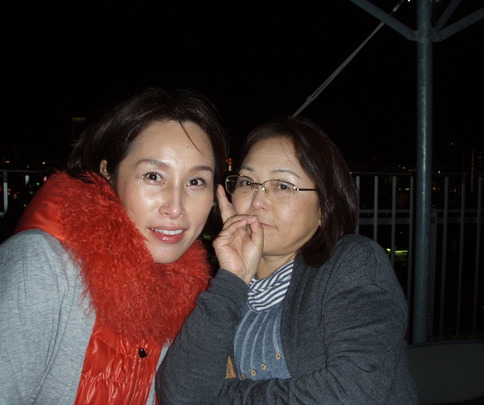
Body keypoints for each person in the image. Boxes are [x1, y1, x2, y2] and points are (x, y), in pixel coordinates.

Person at [0, 87, 228, 404]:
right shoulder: (37, 269)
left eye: (195, 182)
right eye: (153, 176)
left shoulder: (188, 295)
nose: (175, 207)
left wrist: (236, 277)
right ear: (108, 172)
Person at [156, 117, 419, 404]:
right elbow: (179, 396)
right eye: (247, 182)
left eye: (282, 186)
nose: (257, 201)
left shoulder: (352, 264)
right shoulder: (223, 288)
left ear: (325, 206)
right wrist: (232, 278)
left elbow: (354, 392)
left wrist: (222, 395)